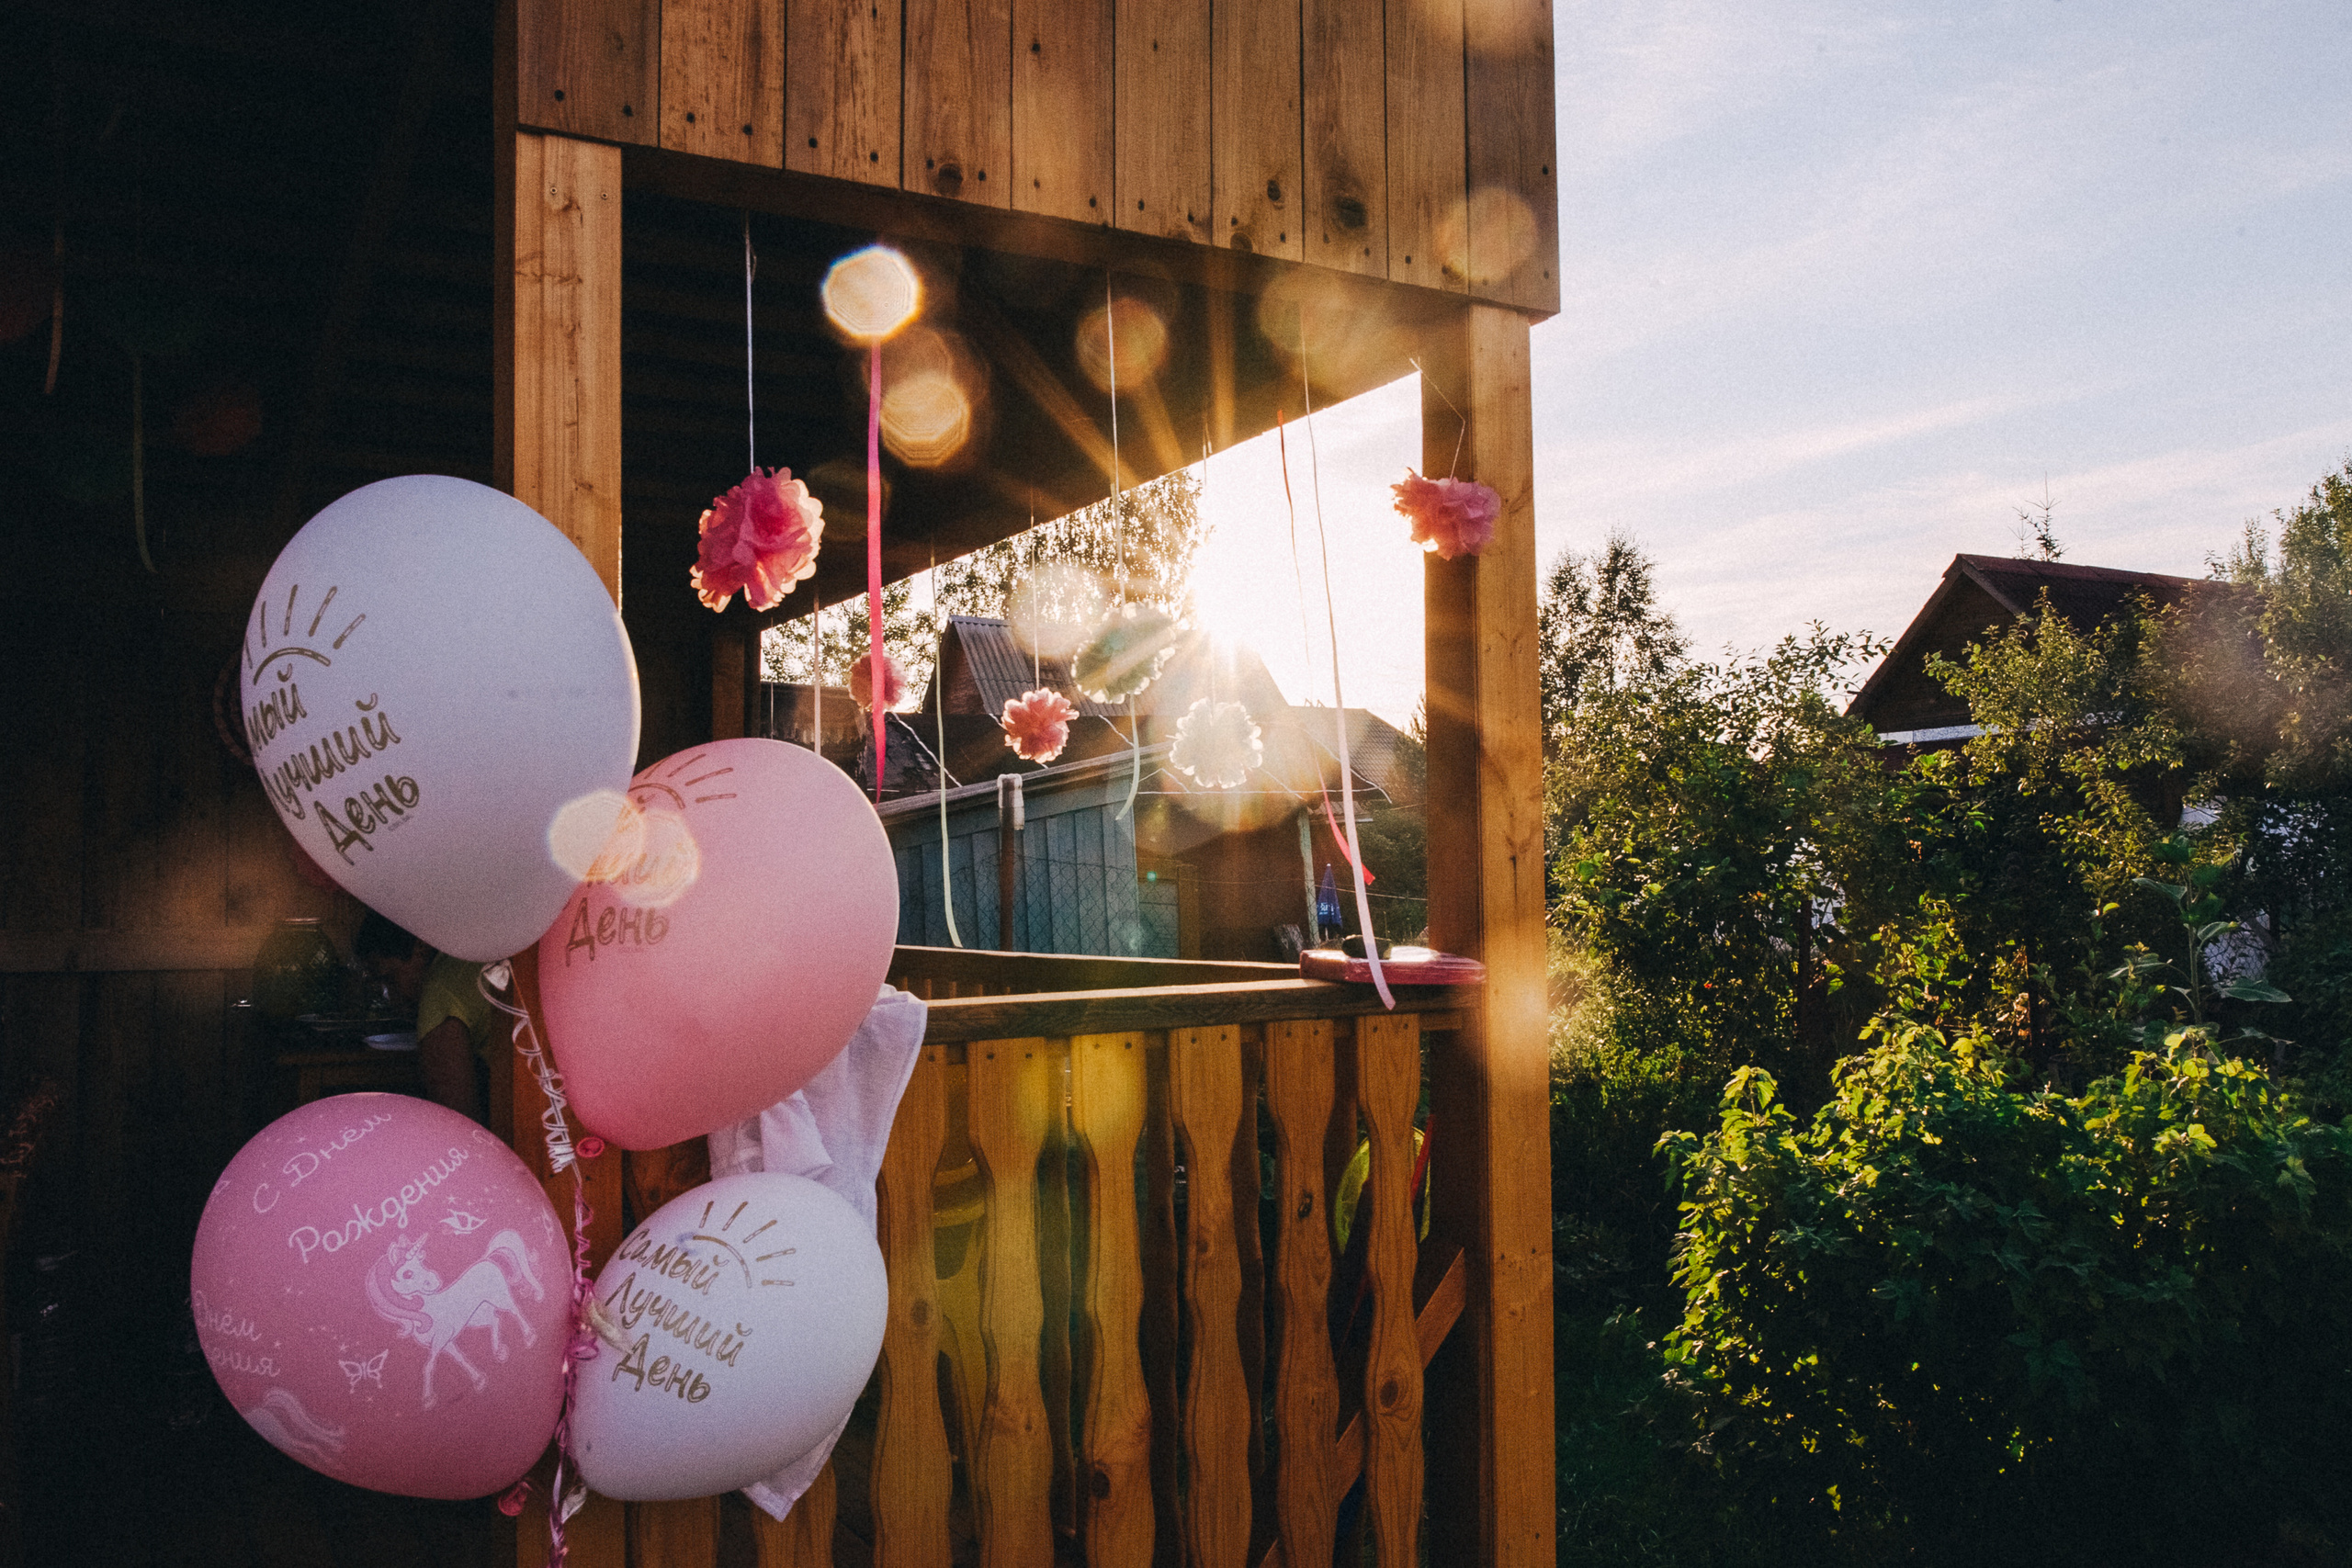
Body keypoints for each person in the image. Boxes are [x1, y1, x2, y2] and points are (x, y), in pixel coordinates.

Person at [355, 910, 496, 1123]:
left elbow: (458, 1123)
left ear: (421, 947)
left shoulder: (439, 994)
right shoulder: (468, 958)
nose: (392, 998)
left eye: (391, 979)